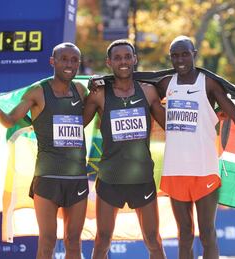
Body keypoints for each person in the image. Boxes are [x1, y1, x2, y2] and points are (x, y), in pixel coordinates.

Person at [155, 35, 235, 259]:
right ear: (170, 58)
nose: (180, 59)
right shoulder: (165, 84)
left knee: (207, 234)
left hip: (205, 169)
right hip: (175, 169)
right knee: (185, 235)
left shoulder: (207, 83)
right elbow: (138, 88)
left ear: (194, 54)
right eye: (175, 55)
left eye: (185, 54)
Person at [0, 43, 88, 259]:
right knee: (47, 241)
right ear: (52, 61)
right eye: (64, 59)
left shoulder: (81, 91)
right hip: (47, 178)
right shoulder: (38, 91)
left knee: (74, 242)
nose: (69, 64)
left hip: (77, 178)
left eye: (74, 60)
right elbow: (10, 121)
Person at [83, 39, 166, 259]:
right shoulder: (99, 93)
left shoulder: (148, 92)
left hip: (142, 178)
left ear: (135, 59)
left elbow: (169, 124)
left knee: (153, 241)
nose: (123, 61)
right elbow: (77, 122)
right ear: (108, 62)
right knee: (102, 242)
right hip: (111, 179)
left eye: (127, 57)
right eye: (117, 57)